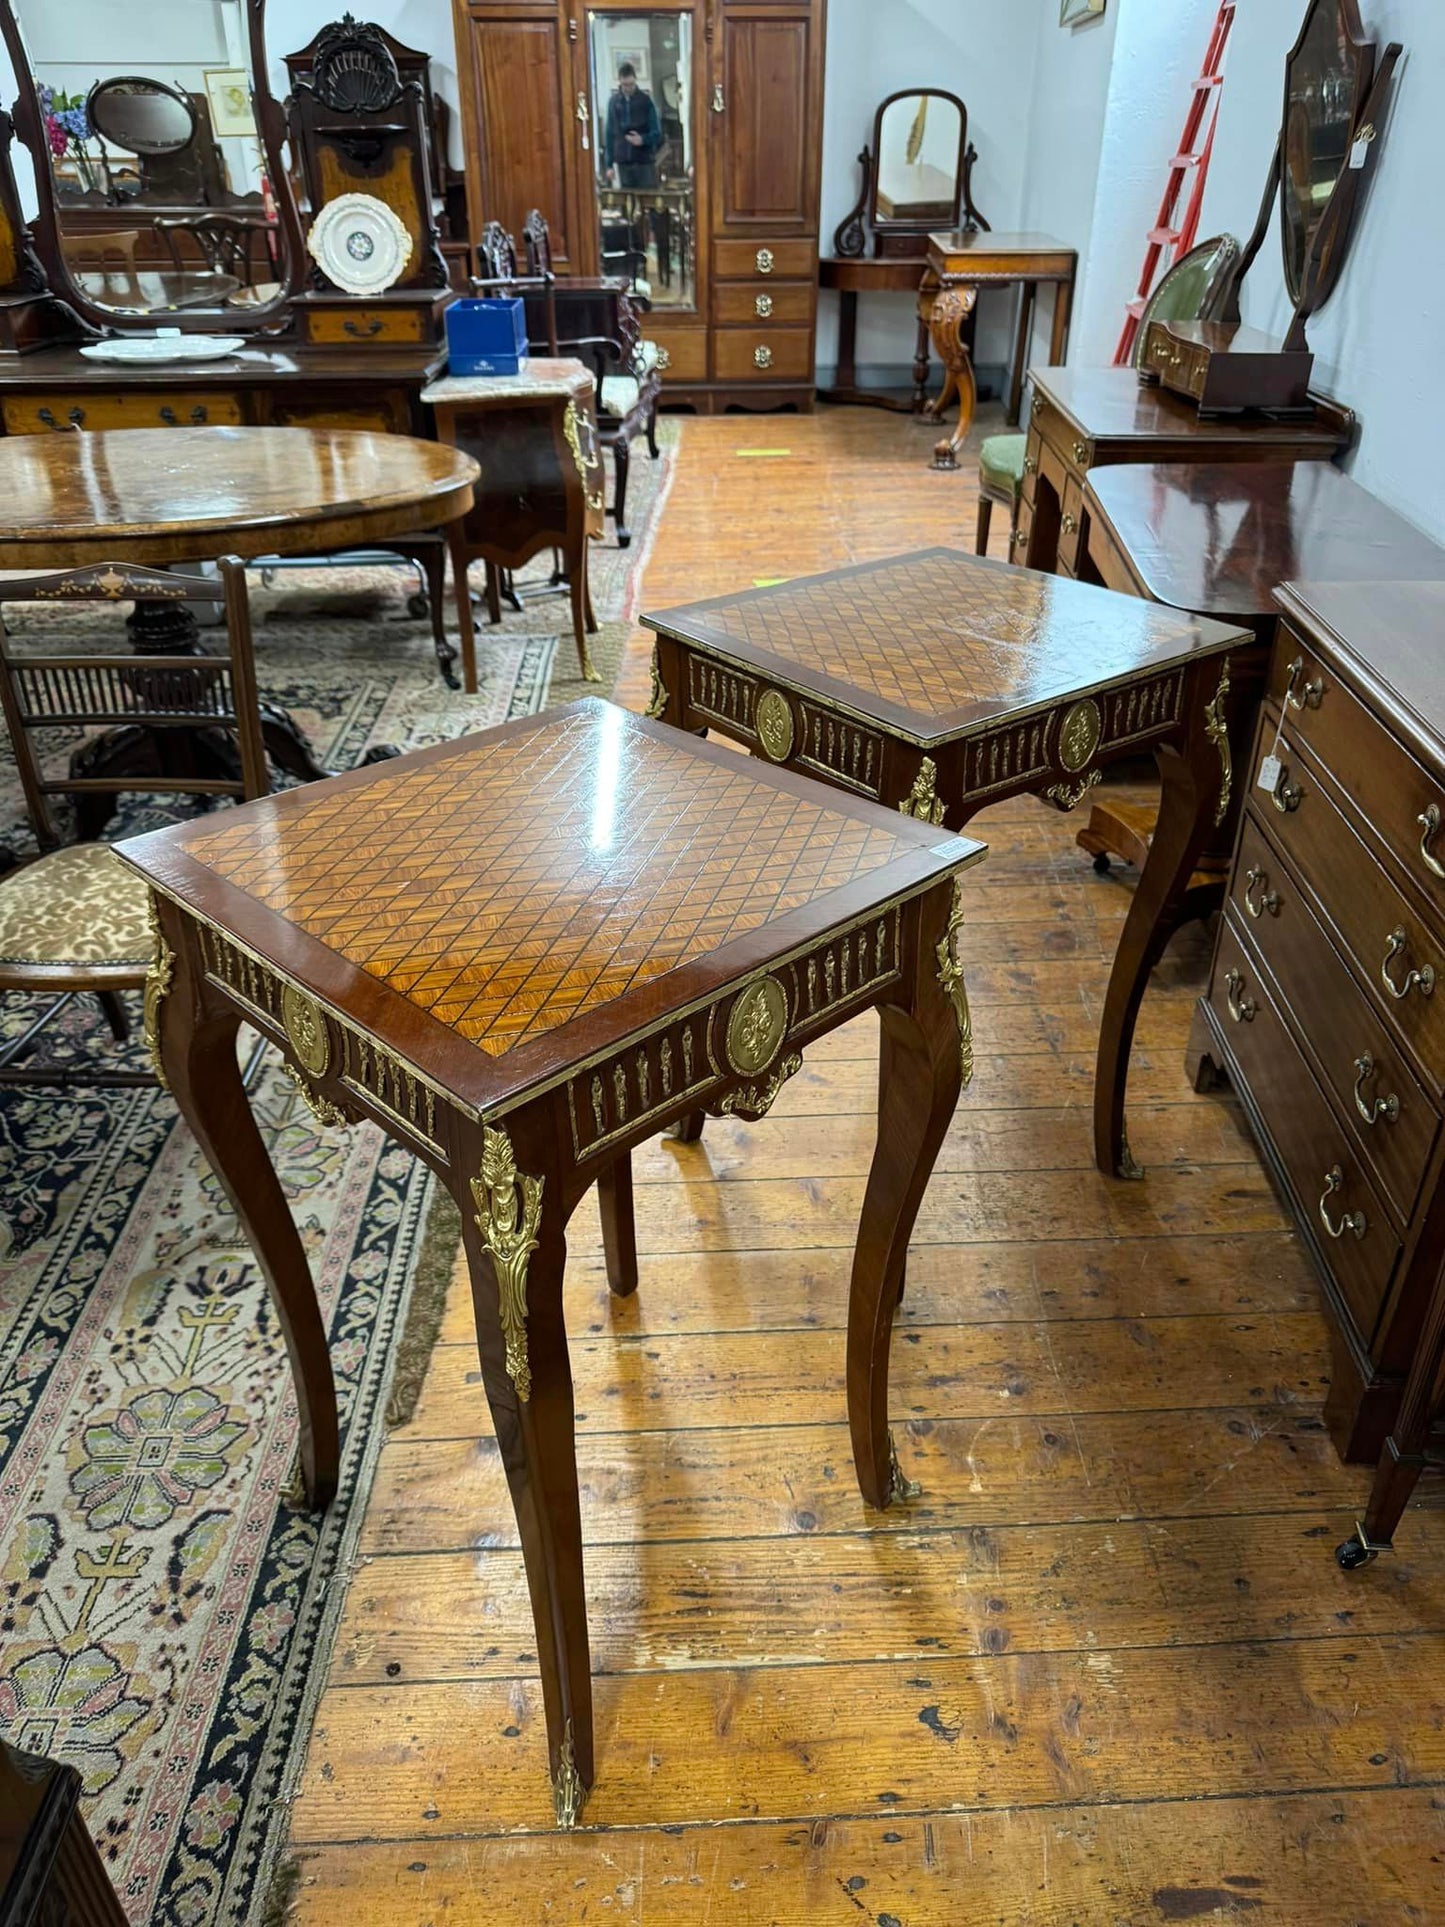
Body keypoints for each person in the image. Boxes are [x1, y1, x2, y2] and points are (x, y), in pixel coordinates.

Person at [605, 61, 662, 189]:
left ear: (635, 80)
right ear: (619, 81)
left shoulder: (645, 101)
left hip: (644, 162)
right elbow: (609, 134)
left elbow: (657, 133)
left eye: (631, 84)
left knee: (648, 202)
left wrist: (642, 139)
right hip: (623, 163)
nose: (628, 88)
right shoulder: (613, 103)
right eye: (625, 85)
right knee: (627, 204)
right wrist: (608, 165)